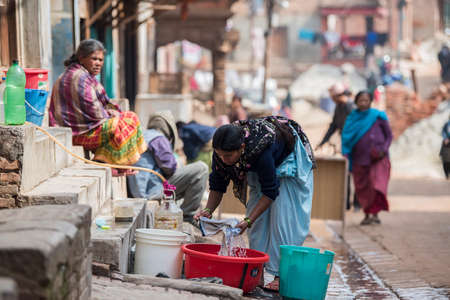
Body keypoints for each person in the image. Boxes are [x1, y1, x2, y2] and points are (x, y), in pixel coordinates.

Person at [195, 116, 315, 292]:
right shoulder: (223, 151)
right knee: (257, 224)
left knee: (283, 219)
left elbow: (270, 191)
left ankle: (281, 275)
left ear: (242, 148)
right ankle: (256, 272)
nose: (223, 159)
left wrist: (248, 220)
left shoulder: (261, 150)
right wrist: (208, 211)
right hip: (257, 161)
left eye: (228, 156)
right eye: (220, 155)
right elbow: (218, 184)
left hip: (287, 156)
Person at [49, 39, 146, 176]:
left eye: (101, 60)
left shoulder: (82, 75)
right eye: (94, 59)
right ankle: (114, 164)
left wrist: (113, 113)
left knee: (126, 118)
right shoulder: (79, 78)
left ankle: (106, 162)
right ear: (81, 58)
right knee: (126, 122)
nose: (98, 63)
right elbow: (96, 114)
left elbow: (102, 105)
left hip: (80, 129)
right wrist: (113, 115)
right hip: (75, 134)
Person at [127, 111, 209, 223]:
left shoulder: (143, 135)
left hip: (137, 191)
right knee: (201, 169)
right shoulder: (158, 138)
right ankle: (188, 217)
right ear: (168, 128)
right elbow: (170, 168)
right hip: (150, 192)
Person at [342, 91, 392, 225]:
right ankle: (367, 214)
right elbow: (346, 139)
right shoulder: (352, 118)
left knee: (376, 185)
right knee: (362, 189)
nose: (363, 103)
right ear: (356, 102)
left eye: (366, 100)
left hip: (378, 159)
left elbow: (389, 136)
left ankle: (375, 214)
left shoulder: (378, 116)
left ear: (371, 101)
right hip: (359, 160)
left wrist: (383, 149)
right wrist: (345, 155)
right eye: (360, 101)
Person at [316, 83, 355, 149]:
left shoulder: (349, 105)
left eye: (332, 97)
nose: (331, 99)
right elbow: (333, 125)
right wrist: (323, 142)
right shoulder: (339, 106)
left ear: (337, 96)